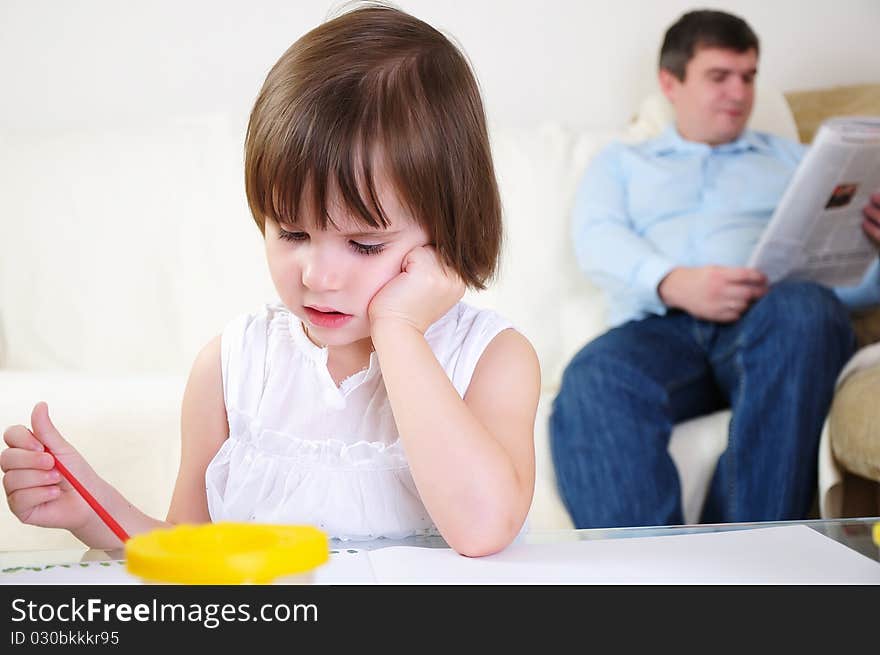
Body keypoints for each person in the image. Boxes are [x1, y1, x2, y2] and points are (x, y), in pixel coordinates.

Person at [0, 5, 540, 557]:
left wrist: (399, 328)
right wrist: (91, 510)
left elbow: (481, 529)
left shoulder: (492, 361)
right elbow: (191, 560)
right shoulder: (232, 368)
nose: (318, 275)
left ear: (447, 229)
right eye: (291, 233)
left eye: (365, 244)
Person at [550, 9, 880, 528]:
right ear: (670, 82)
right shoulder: (622, 163)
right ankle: (654, 582)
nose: (739, 93)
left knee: (807, 313)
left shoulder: (799, 161)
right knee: (595, 377)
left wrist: (874, 250)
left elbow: (851, 285)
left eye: (748, 77)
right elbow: (598, 239)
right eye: (719, 76)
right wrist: (674, 282)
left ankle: (747, 561)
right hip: (661, 328)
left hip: (772, 325)